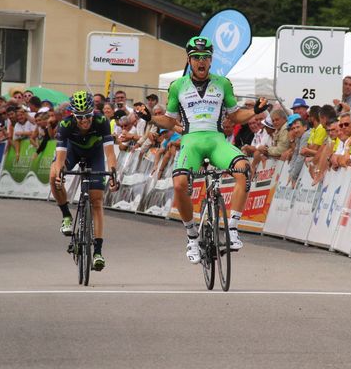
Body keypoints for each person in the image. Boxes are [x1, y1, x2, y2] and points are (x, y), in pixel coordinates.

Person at [135, 36, 269, 264]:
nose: (201, 61)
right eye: (196, 57)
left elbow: (235, 116)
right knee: (179, 184)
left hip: (217, 141)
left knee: (244, 170)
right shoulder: (177, 86)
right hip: (191, 142)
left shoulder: (223, 83)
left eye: (206, 57)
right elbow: (170, 121)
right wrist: (151, 118)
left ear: (211, 60)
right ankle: (191, 236)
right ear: (189, 59)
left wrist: (254, 110)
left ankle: (233, 228)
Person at [49, 90, 118, 271]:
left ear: (92, 112)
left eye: (87, 116)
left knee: (96, 200)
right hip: (73, 152)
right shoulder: (65, 125)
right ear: (73, 115)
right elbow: (60, 159)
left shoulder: (102, 121)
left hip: (94, 154)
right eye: (80, 117)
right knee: (52, 174)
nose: (84, 121)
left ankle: (98, 251)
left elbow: (110, 154)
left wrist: (113, 175)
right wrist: (59, 175)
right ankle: (66, 215)